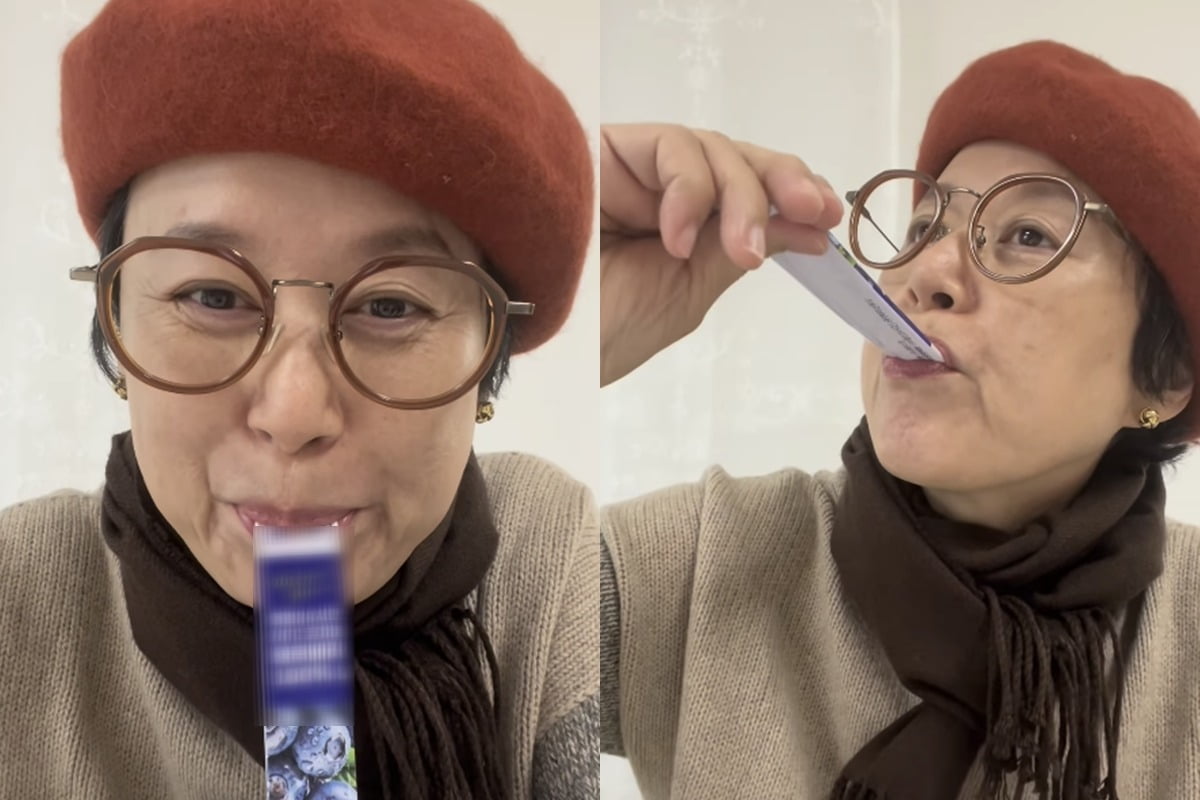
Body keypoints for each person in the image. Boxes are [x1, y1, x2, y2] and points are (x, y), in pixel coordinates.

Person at [0, 1, 597, 798]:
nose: (293, 415)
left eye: (390, 306)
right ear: (115, 323)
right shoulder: (20, 595)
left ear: (490, 354)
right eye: (213, 296)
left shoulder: (551, 560)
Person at [599, 41, 1200, 800]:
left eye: (1029, 236)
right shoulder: (697, 561)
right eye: (923, 228)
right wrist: (598, 326)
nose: (925, 275)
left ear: (1163, 376)